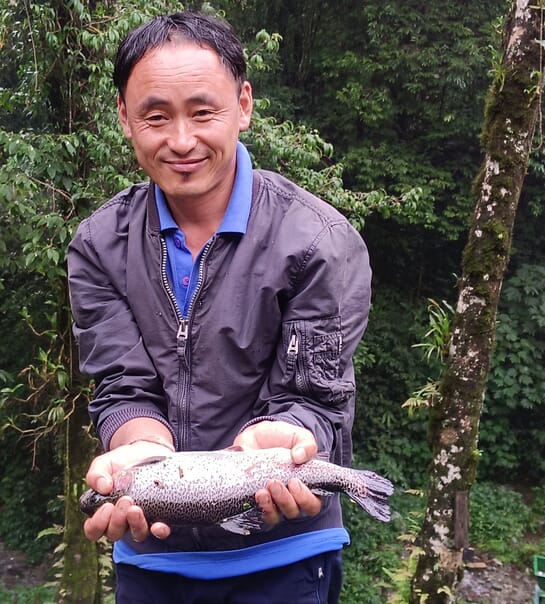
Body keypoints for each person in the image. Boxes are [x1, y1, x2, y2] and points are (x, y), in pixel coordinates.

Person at [66, 10, 371, 603]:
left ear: (244, 105)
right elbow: (122, 387)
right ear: (124, 119)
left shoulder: (318, 241)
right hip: (153, 557)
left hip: (289, 554)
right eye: (156, 116)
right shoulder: (100, 246)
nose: (181, 141)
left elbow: (314, 397)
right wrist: (139, 450)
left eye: (203, 112)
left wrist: (285, 437)